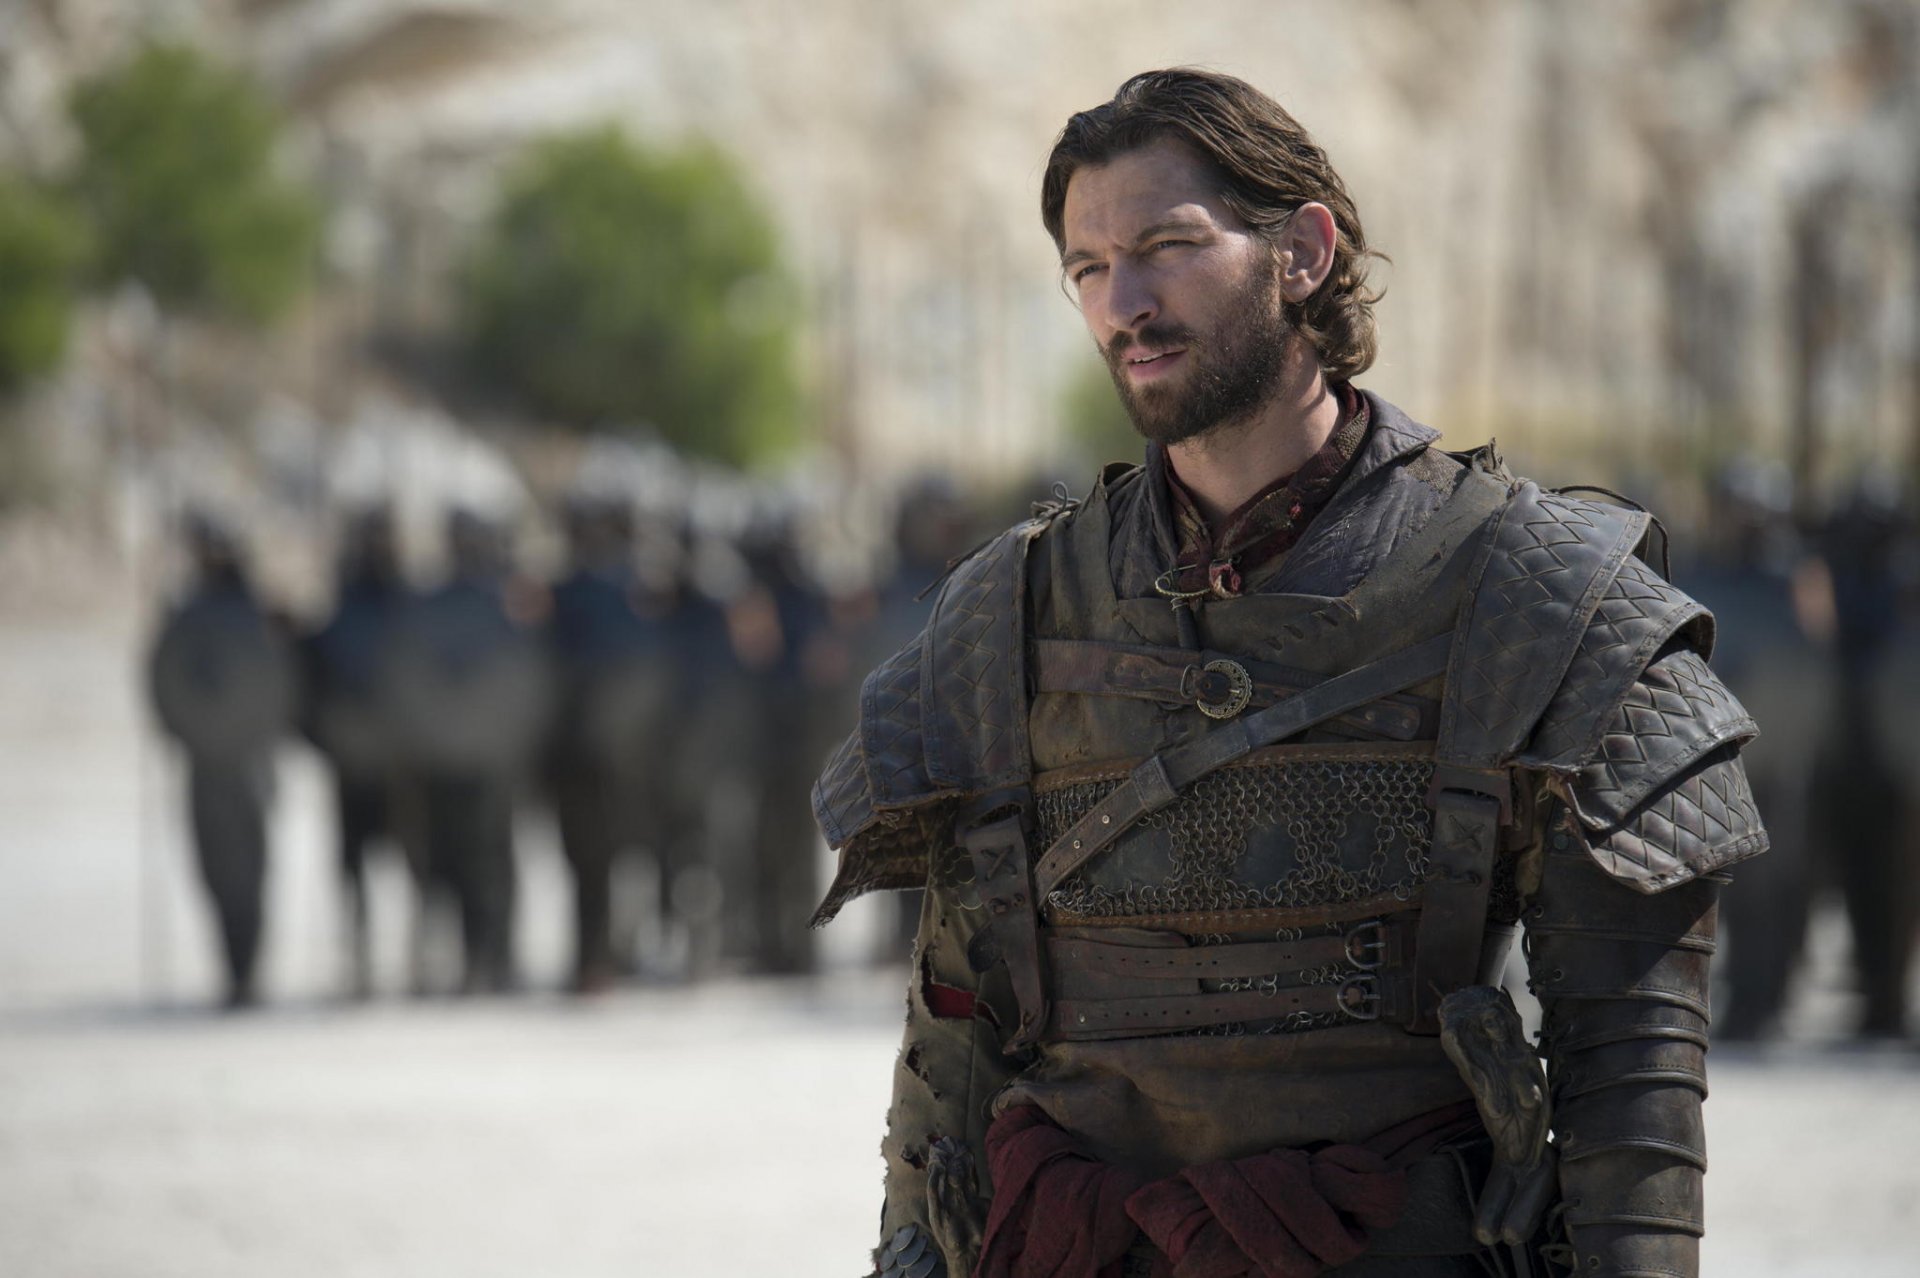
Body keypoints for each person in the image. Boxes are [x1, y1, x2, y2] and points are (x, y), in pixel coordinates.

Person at [811, 70, 1766, 1278]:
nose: (1125, 303)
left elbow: (1630, 1068)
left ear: (1302, 253)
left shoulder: (1535, 595)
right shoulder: (1009, 610)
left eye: (1167, 247)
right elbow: (956, 1032)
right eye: (1088, 268)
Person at [148, 513, 297, 1008]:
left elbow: (287, 683)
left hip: (246, 761)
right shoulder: (191, 615)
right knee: (221, 870)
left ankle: (246, 969)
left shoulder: (259, 613)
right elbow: (167, 685)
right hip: (213, 761)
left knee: (246, 871)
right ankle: (237, 969)